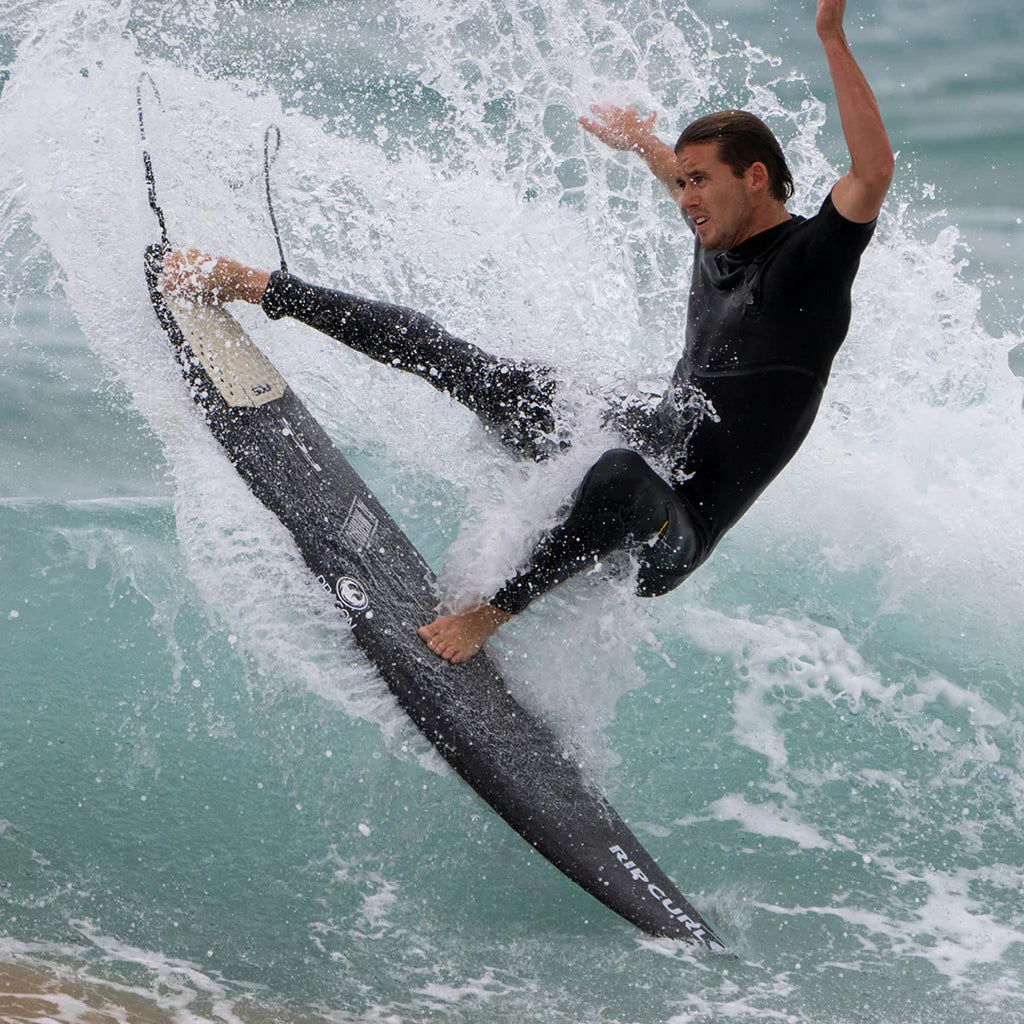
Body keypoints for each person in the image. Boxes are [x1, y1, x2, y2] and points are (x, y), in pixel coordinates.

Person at [164, 0, 892, 665]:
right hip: (654, 444)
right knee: (491, 376)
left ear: (755, 178)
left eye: (698, 181)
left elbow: (871, 172)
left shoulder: (810, 265)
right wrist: (643, 141)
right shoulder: (719, 232)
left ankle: (489, 615)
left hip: (672, 529)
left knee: (617, 475)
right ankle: (258, 286)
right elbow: (678, 177)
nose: (684, 198)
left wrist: (830, 37)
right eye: (682, 182)